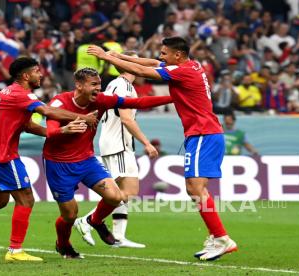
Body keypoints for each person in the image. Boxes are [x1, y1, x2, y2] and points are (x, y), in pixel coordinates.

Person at [87, 36, 238, 261]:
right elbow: (150, 63)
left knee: (195, 189)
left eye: (164, 53)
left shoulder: (182, 71)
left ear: (177, 55)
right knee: (197, 189)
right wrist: (118, 56)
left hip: (202, 133)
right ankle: (217, 237)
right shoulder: (191, 65)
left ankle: (222, 238)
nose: (160, 56)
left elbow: (144, 71)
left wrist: (105, 56)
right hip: (206, 133)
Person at [0, 57, 98, 262]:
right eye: (37, 71)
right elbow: (47, 111)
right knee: (26, 199)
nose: (41, 75)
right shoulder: (21, 94)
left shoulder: (6, 92)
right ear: (26, 75)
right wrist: (83, 118)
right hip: (4, 154)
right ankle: (14, 250)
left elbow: (28, 125)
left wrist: (58, 131)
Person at [43, 67, 172, 258]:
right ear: (79, 85)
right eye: (93, 85)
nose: (98, 89)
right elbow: (49, 131)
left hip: (86, 160)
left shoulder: (101, 100)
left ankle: (95, 221)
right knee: (70, 215)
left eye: (99, 85)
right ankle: (63, 244)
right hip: (59, 164)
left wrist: (174, 98)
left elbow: (137, 102)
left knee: (115, 196)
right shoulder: (59, 101)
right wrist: (65, 130)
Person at [74, 54, 159, 249]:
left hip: (114, 142)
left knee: (121, 192)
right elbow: (127, 118)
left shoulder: (114, 84)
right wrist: (147, 142)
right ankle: (88, 220)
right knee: (127, 191)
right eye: (138, 64)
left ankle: (119, 236)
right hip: (118, 144)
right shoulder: (124, 86)